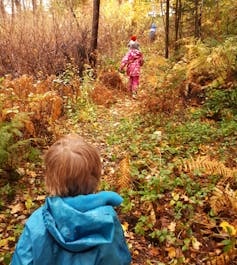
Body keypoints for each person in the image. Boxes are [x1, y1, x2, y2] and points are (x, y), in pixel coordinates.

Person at [11, 134, 132, 265]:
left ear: (50, 180)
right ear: (96, 177)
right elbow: (118, 260)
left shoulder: (38, 221)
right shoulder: (107, 220)